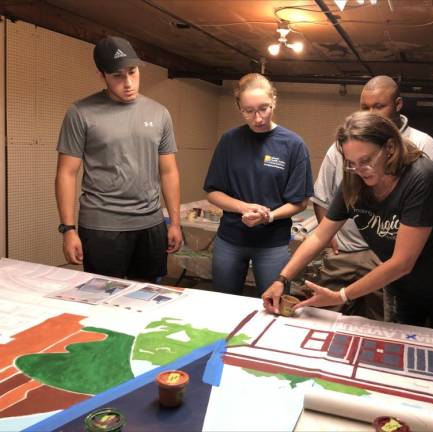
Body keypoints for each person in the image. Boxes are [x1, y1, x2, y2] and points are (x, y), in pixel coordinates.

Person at [263, 111, 433, 334]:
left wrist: (341, 295)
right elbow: (321, 235)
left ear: (390, 148)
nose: (359, 170)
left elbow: (402, 262)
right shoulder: (355, 180)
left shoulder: (422, 178)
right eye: (351, 163)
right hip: (403, 282)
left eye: (366, 160)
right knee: (400, 345)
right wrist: (282, 279)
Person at [311, 75, 433, 320]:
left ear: (397, 104)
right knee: (325, 318)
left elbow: (430, 215)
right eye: (365, 107)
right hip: (345, 250)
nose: (372, 113)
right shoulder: (345, 147)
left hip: (390, 258)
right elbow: (323, 197)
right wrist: (328, 237)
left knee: (381, 323)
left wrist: (344, 294)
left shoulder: (424, 151)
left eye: (379, 106)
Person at [55, 36, 182, 282]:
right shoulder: (80, 112)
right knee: (103, 300)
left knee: (147, 297)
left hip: (150, 223)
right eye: (117, 76)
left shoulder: (159, 113)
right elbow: (66, 173)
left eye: (132, 72)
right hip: (102, 226)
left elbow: (169, 171)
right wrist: (68, 229)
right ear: (101, 75)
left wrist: (174, 222)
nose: (128, 83)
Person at [203, 73, 314, 296]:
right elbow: (213, 193)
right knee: (222, 301)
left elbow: (300, 202)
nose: (258, 118)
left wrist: (268, 216)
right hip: (230, 239)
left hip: (272, 243)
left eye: (264, 108)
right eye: (249, 111)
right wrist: (243, 207)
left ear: (274, 101)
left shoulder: (293, 145)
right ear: (239, 108)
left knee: (274, 303)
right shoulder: (229, 141)